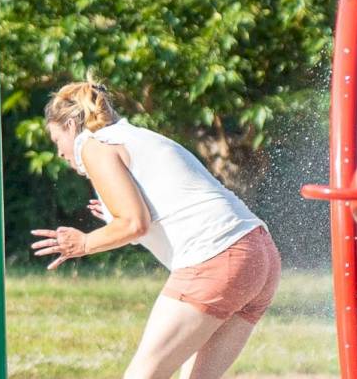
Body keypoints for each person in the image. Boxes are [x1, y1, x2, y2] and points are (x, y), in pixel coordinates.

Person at [31, 78, 280, 379]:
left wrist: (84, 243)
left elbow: (134, 223)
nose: (59, 153)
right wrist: (116, 219)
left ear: (71, 126)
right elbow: (151, 211)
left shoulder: (93, 145)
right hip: (260, 256)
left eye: (57, 141)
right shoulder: (133, 135)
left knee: (143, 375)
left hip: (217, 256)